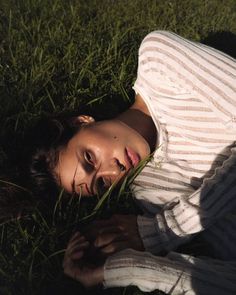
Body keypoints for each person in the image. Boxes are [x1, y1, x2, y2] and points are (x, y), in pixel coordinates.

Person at [34, 31, 236, 293]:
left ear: (81, 121)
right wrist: (129, 269)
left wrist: (168, 228)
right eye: (102, 183)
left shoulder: (159, 63)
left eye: (89, 158)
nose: (113, 170)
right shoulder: (152, 192)